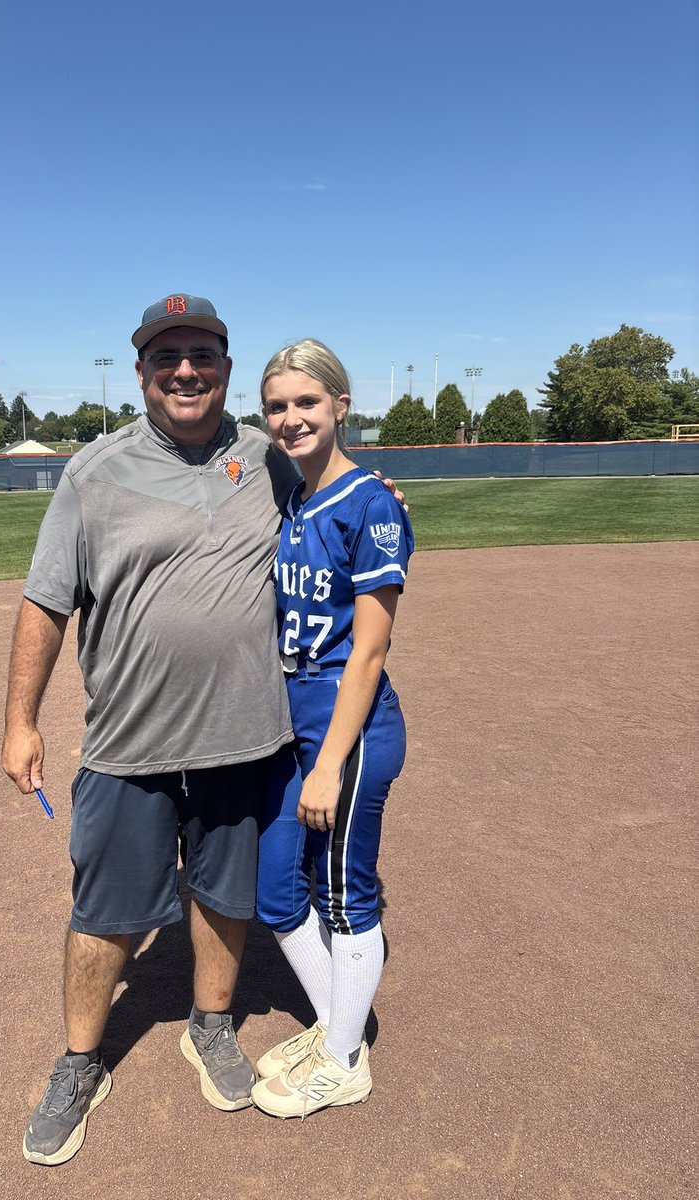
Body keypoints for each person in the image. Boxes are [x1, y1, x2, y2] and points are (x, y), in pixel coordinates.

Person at [2, 294, 301, 1164]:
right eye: (166, 356)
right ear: (140, 371)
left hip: (244, 738)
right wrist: (20, 722)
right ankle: (78, 1060)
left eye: (201, 354)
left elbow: (336, 491)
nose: (185, 370)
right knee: (104, 912)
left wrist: (377, 487)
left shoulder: (266, 458)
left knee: (223, 897)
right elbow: (46, 602)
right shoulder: (94, 472)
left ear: (226, 367)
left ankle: (211, 1026)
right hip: (129, 745)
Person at [249, 339, 413, 1119]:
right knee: (278, 889)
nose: (291, 419)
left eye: (307, 403)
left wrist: (329, 764)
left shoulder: (369, 502)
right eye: (277, 405)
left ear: (341, 406)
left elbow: (371, 648)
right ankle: (335, 1027)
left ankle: (344, 1059)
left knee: (345, 894)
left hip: (349, 728)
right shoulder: (293, 497)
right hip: (295, 721)